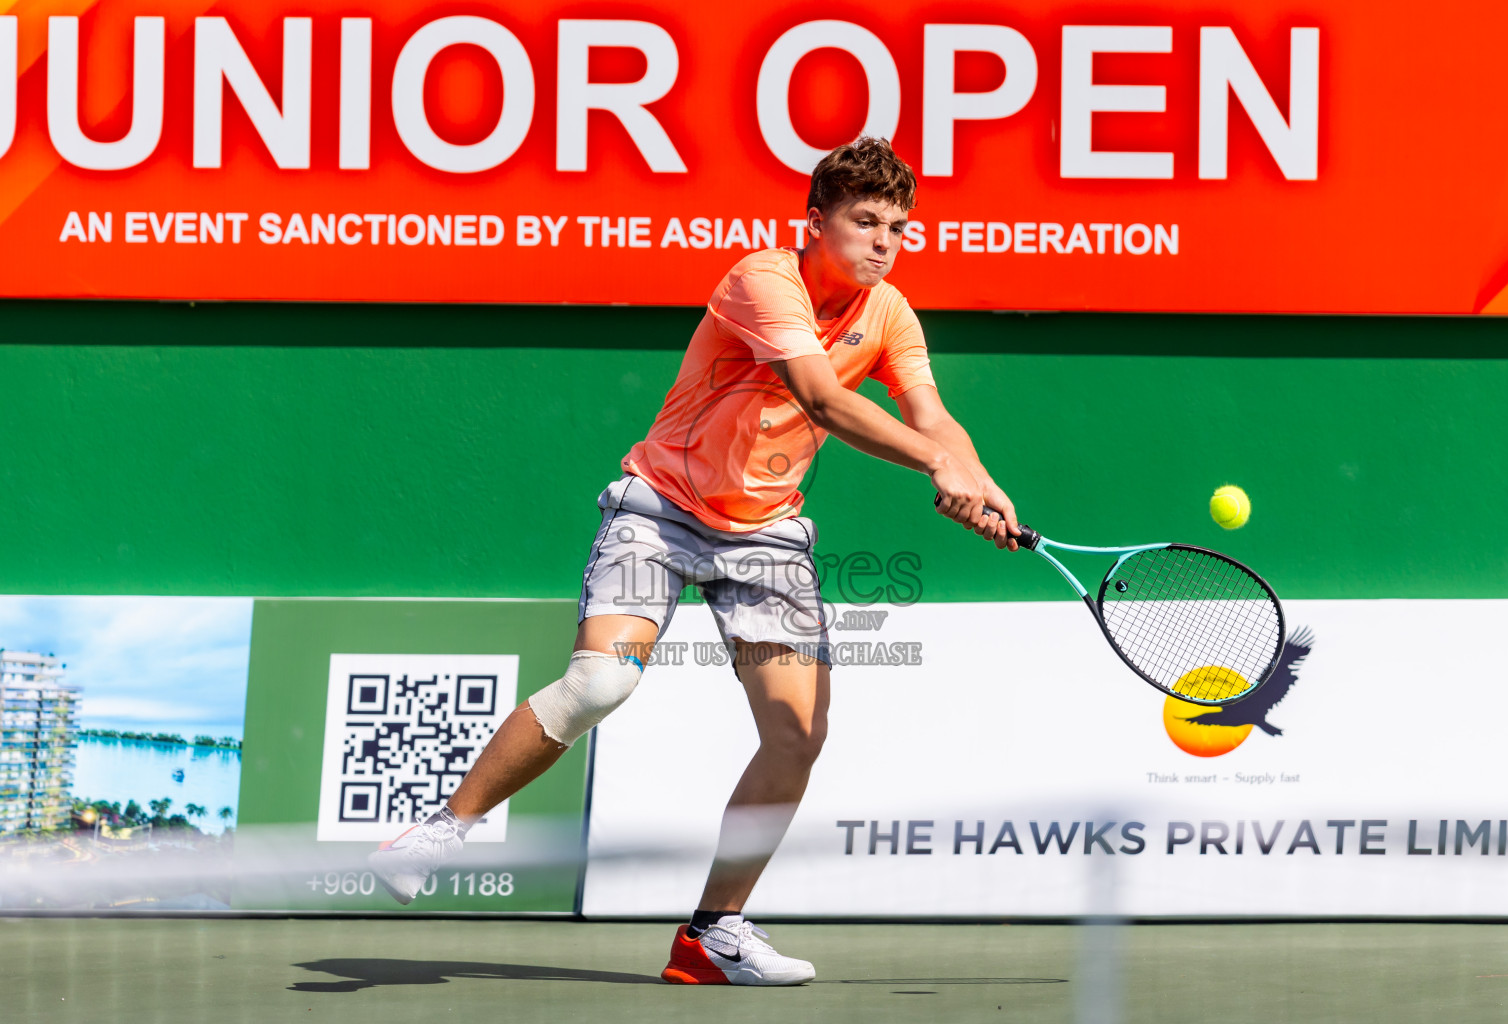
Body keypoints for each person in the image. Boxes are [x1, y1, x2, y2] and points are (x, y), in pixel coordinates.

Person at [368, 136, 1020, 986]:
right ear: (815, 221)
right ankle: (438, 832)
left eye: (898, 226)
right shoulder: (763, 279)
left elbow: (931, 416)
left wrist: (979, 477)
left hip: (768, 532)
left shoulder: (890, 312)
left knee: (796, 736)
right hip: (663, 511)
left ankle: (713, 934)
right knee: (603, 682)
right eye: (866, 222)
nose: (885, 241)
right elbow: (823, 396)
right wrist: (940, 467)